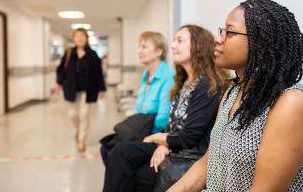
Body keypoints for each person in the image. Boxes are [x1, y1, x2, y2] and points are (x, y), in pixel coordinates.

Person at [168, 0, 303, 192]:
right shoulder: (231, 95)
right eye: (221, 30)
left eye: (230, 32)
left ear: (262, 43)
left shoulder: (290, 103)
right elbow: (207, 163)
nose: (218, 39)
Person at [103, 25, 230, 192]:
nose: (172, 46)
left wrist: (157, 139)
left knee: (132, 170)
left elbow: (189, 137)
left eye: (180, 41)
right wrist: (164, 145)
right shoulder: (186, 81)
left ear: (198, 46)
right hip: (175, 147)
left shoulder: (206, 85)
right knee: (120, 151)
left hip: (188, 156)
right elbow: (173, 125)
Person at [100, 31, 175, 164]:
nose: (139, 51)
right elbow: (140, 109)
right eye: (139, 47)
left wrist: (140, 136)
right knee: (106, 146)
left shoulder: (168, 76)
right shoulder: (147, 74)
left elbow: (163, 119)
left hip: (155, 135)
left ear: (159, 51)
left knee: (116, 152)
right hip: (142, 128)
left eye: (144, 47)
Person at [55, 28, 106, 152]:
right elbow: (61, 69)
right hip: (72, 89)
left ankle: (81, 139)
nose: (79, 38)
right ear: (74, 38)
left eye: (82, 36)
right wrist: (59, 82)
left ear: (86, 38)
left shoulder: (93, 54)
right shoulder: (69, 53)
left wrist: (101, 89)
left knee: (84, 115)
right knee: (72, 114)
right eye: (77, 36)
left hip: (87, 90)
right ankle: (78, 130)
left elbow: (99, 73)